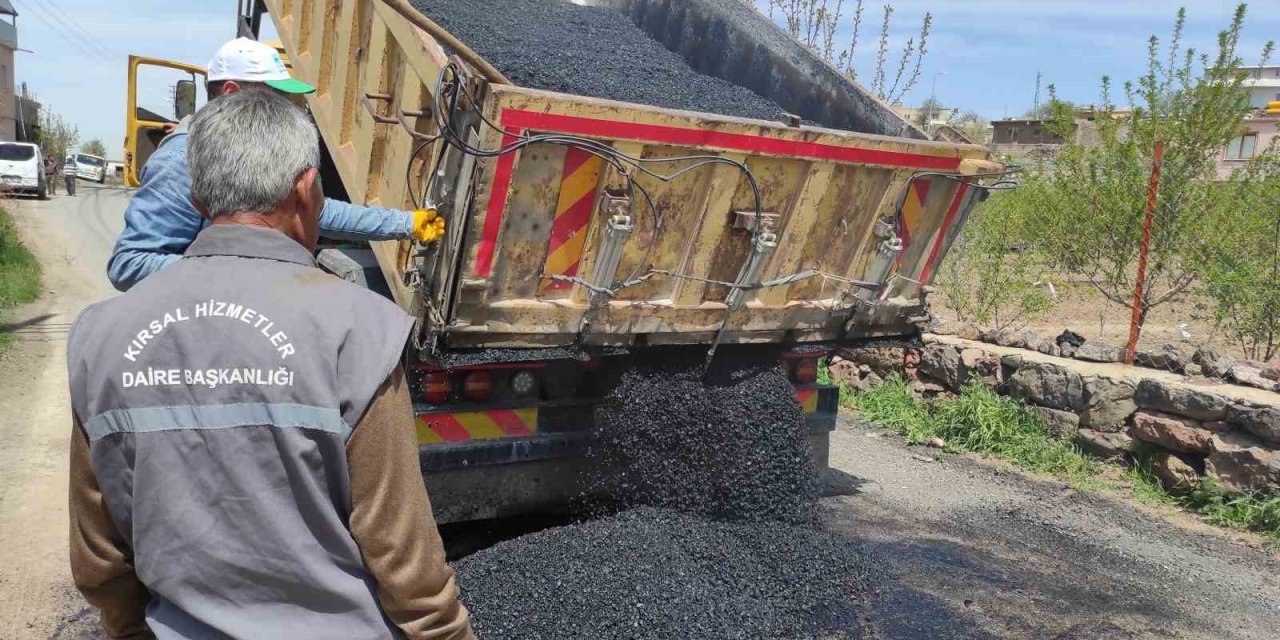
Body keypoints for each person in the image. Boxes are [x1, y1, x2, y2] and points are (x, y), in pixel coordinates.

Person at [67, 89, 474, 639]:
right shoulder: (359, 330)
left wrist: (128, 629)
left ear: (199, 195)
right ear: (306, 190)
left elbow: (100, 553)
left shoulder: (101, 337)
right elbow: (403, 557)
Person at [107, 37, 440, 292]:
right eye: (275, 96)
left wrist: (406, 223)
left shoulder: (257, 153)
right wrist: (243, 271)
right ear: (231, 92)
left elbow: (318, 212)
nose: (288, 107)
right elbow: (129, 264)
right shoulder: (182, 160)